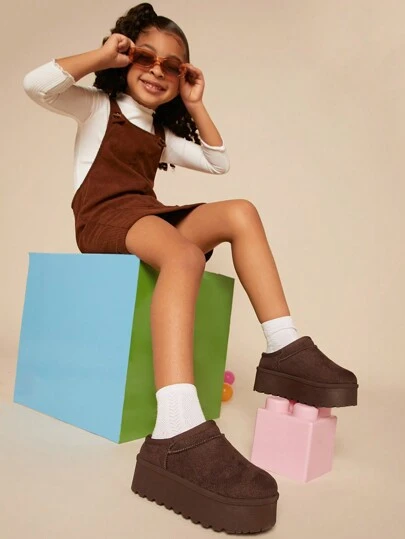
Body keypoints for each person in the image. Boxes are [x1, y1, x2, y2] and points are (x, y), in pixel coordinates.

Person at [23, 3, 358, 533]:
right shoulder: (95, 107)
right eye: (145, 57)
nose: (157, 70)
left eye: (173, 66)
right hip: (105, 219)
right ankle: (176, 427)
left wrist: (197, 103)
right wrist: (102, 55)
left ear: (182, 78)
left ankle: (285, 347)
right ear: (125, 58)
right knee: (182, 255)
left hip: (148, 216)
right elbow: (36, 85)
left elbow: (218, 161)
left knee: (240, 211)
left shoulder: (160, 134)